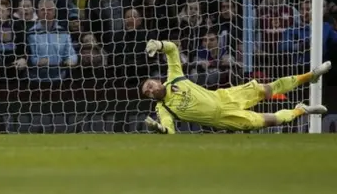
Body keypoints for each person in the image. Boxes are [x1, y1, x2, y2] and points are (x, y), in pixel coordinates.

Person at [141, 40, 330, 134]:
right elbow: (169, 130)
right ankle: (301, 110)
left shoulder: (174, 78)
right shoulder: (163, 108)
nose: (150, 90)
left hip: (225, 96)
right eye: (147, 92)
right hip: (223, 118)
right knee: (268, 121)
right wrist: (160, 129)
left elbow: (173, 49)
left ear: (157, 80)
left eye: (149, 85)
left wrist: (158, 44)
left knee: (267, 89)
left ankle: (310, 75)